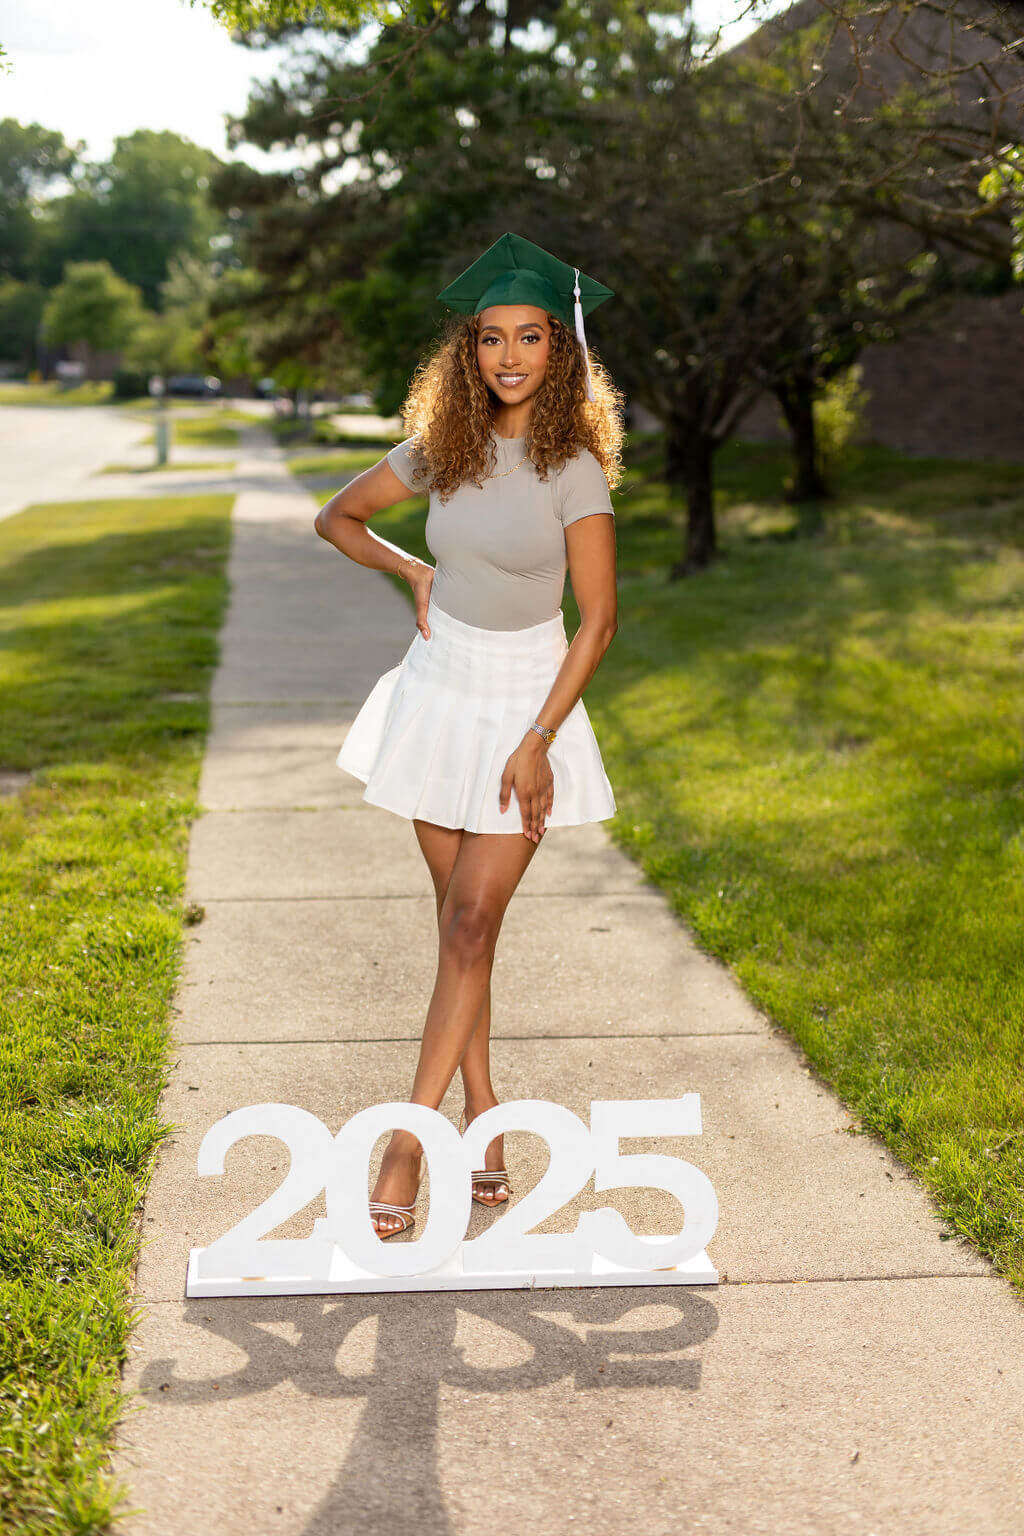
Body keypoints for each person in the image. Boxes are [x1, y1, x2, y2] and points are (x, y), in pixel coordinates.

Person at [313, 232, 623, 1239]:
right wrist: (411, 572)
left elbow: (600, 621)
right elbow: (337, 520)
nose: (508, 356)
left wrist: (539, 737)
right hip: (439, 691)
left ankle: (409, 1142)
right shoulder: (440, 450)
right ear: (468, 353)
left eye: (529, 336)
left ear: (557, 350)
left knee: (468, 927)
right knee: (460, 928)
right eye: (489, 338)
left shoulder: (574, 468)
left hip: (525, 702)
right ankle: (484, 1117)